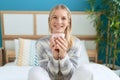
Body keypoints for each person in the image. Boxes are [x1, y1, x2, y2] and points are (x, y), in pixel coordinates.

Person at [28, 4, 93, 80]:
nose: (59, 22)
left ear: (68, 22)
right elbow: (47, 75)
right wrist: (55, 58)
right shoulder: (41, 44)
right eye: (55, 17)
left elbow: (71, 76)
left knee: (86, 71)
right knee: (34, 71)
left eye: (63, 18)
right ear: (49, 20)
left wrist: (63, 56)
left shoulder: (76, 43)